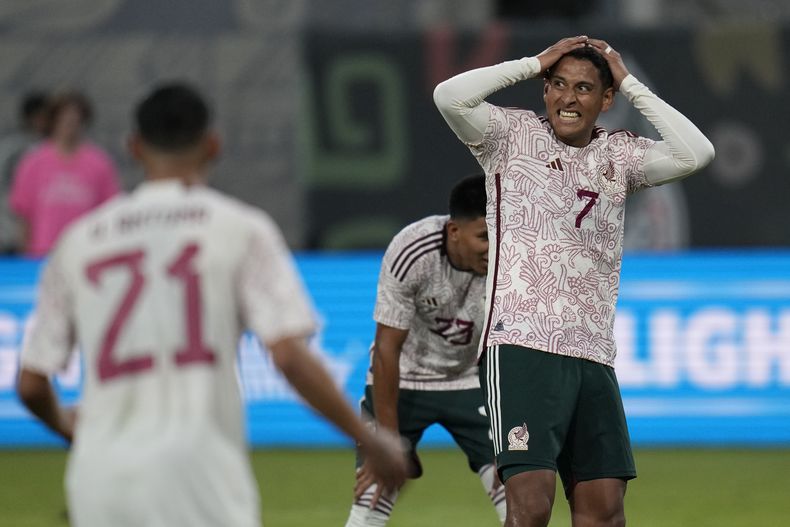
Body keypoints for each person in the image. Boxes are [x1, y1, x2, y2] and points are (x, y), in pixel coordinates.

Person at [15, 82, 407, 527]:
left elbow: (31, 384)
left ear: (134, 148)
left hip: (100, 480)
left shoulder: (79, 243)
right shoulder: (239, 229)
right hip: (200, 476)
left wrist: (70, 429)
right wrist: (368, 440)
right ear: (213, 144)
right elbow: (288, 357)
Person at [434, 36, 714, 526]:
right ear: (545, 89)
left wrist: (629, 82)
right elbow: (448, 96)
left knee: (605, 511)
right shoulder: (508, 137)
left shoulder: (620, 157)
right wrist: (532, 62)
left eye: (585, 88)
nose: (568, 97)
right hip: (521, 347)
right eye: (558, 84)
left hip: (592, 354)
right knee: (531, 506)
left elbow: (697, 152)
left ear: (606, 101)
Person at [345, 174, 506, 526]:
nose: (494, 248)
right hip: (404, 378)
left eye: (498, 236)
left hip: (471, 379)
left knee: (517, 489)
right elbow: (387, 349)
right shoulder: (411, 252)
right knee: (374, 492)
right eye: (483, 237)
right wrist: (388, 444)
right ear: (453, 232)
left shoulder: (512, 258)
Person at [9, 91, 120, 258]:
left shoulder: (99, 163)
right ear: (54, 121)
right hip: (42, 254)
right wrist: (24, 254)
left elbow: (111, 213)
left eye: (75, 119)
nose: (70, 124)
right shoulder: (33, 162)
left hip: (85, 254)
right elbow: (24, 216)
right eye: (64, 119)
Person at [0, 91, 48, 254]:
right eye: (42, 116)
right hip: (9, 234)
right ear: (30, 117)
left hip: (43, 238)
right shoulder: (11, 150)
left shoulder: (57, 152)